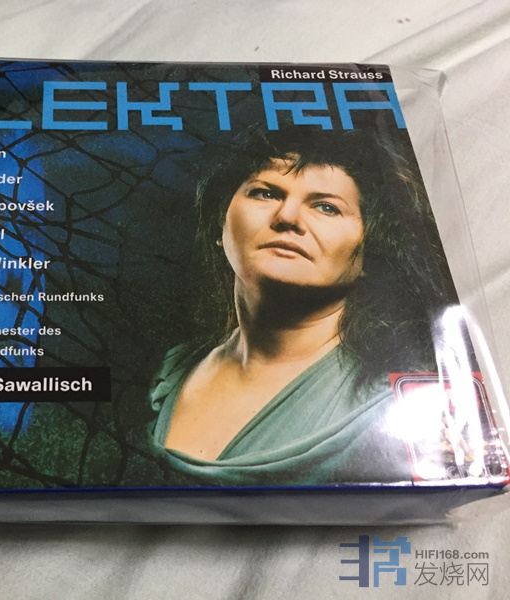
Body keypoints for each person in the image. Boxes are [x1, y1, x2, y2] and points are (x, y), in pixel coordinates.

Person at [149, 126, 460, 485]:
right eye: (265, 193)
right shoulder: (172, 369)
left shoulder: (400, 397)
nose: (287, 217)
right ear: (222, 223)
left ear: (371, 251)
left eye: (326, 207)